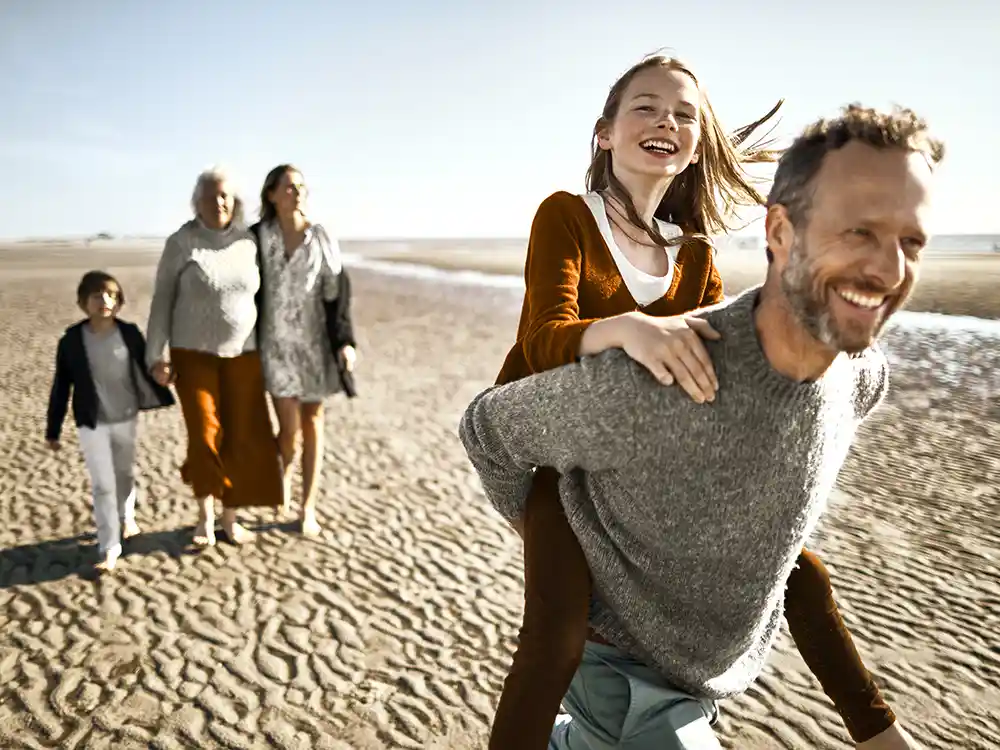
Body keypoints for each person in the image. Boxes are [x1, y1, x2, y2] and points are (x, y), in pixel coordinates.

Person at [459, 102, 941, 749]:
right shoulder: (658, 381)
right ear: (780, 233)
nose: (888, 268)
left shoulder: (860, 376)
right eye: (857, 231)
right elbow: (489, 428)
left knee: (805, 573)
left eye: (910, 241)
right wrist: (546, 529)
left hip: (708, 665)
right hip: (619, 660)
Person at [145, 167, 284, 546]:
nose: (219, 202)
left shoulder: (247, 241)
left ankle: (230, 516)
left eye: (225, 195)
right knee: (205, 433)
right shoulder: (181, 242)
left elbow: (266, 298)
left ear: (234, 201)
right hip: (193, 354)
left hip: (245, 354)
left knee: (240, 436)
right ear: (197, 202)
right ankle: (204, 516)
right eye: (211, 196)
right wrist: (155, 354)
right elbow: (162, 301)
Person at [250, 164, 357, 536]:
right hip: (275, 345)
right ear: (272, 195)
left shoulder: (321, 236)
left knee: (313, 422)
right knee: (288, 429)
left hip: (314, 344)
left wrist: (345, 342)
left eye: (300, 186)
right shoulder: (258, 237)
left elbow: (337, 293)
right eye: (288, 186)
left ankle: (307, 506)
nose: (296, 192)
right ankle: (284, 469)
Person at [45, 271, 175, 571]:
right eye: (97, 296)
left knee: (124, 474)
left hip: (125, 417)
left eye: (112, 296)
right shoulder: (71, 341)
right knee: (103, 484)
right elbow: (61, 385)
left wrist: (166, 377)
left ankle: (127, 517)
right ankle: (109, 547)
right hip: (91, 422)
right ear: (83, 302)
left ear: (118, 302)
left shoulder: (128, 333)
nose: (105, 301)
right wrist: (53, 430)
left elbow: (148, 367)